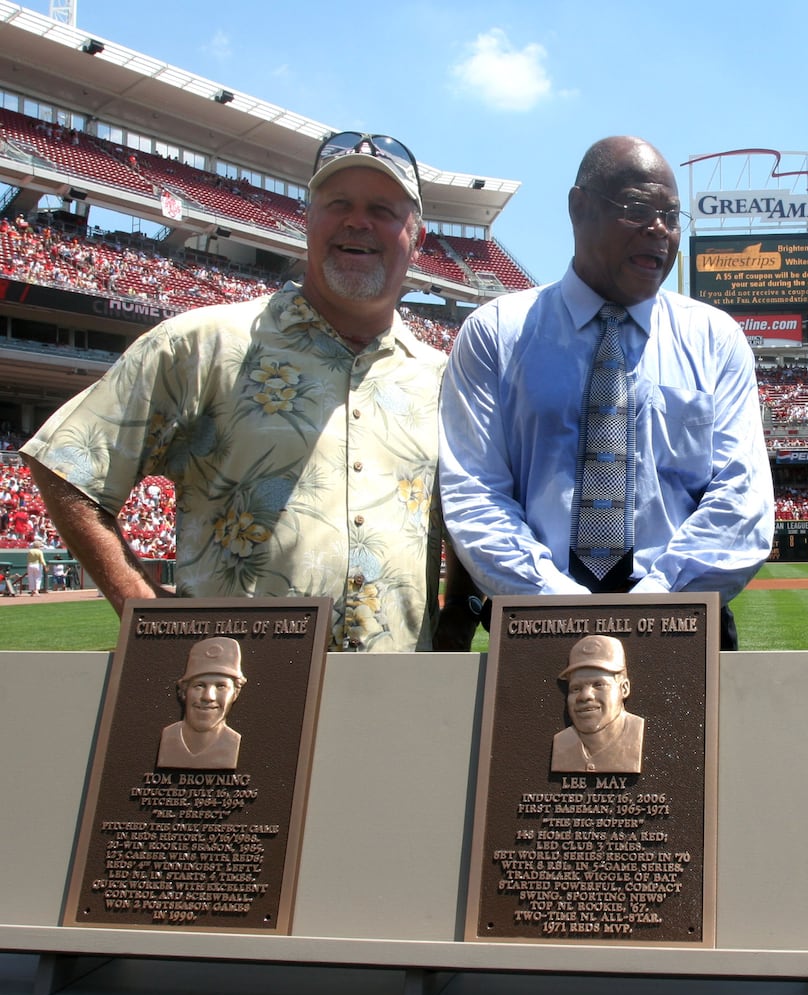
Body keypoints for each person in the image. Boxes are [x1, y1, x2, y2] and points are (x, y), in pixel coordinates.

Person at [21, 131, 475, 651]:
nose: (357, 221)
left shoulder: (444, 377)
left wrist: (457, 625)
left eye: (382, 209)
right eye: (338, 204)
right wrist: (137, 603)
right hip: (237, 692)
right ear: (308, 221)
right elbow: (67, 464)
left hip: (397, 699)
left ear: (416, 237)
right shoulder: (202, 343)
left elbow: (467, 525)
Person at [438, 136, 773, 650]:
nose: (658, 228)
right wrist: (559, 610)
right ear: (579, 208)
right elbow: (475, 494)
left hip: (684, 626)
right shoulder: (495, 333)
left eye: (671, 214)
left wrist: (654, 609)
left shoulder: (716, 339)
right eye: (637, 208)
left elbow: (742, 500)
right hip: (535, 628)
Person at [552, 634, 644, 774]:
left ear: (624, 689)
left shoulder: (636, 737)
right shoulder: (561, 744)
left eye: (599, 684)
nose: (585, 696)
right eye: (576, 688)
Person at [158, 636, 246, 769]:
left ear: (235, 693)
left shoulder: (232, 742)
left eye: (220, 686)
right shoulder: (168, 737)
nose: (208, 697)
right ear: (183, 691)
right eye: (199, 686)